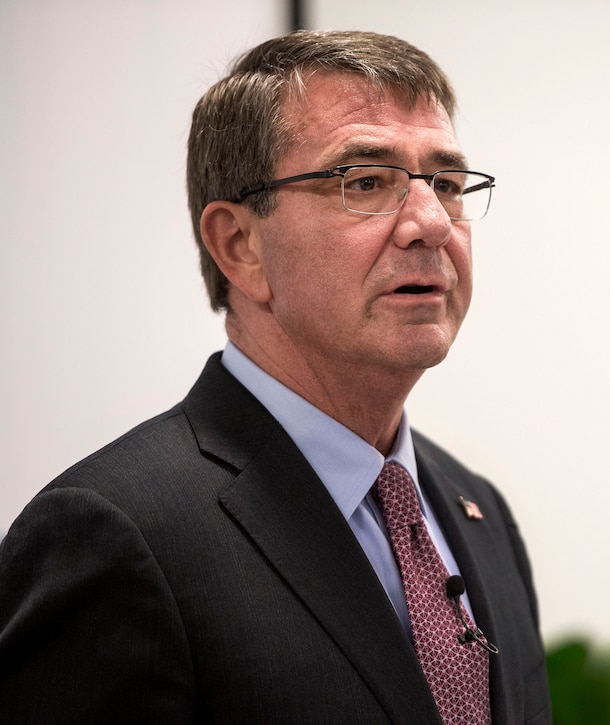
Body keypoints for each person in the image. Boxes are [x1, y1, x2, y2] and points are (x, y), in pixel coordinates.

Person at [0, 30, 550, 724]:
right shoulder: (114, 535)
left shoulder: (480, 511)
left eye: (445, 183)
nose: (431, 223)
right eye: (367, 181)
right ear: (240, 244)